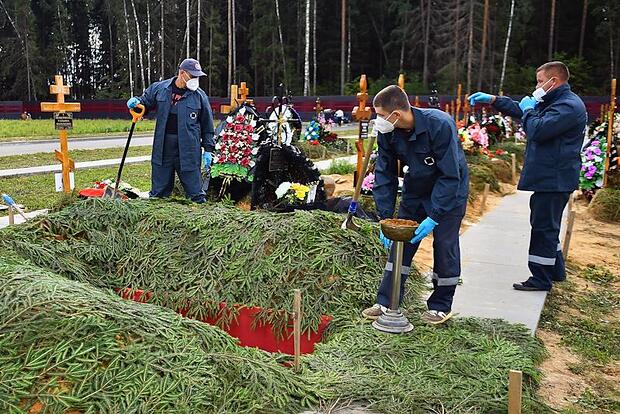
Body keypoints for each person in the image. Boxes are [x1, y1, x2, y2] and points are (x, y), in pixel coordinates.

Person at [469, 61, 587, 291]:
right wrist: (494, 100)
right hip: (549, 177)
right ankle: (555, 270)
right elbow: (523, 110)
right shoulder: (555, 101)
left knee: (544, 227)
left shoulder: (568, 106)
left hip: (554, 178)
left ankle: (540, 278)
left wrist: (529, 110)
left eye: (541, 81)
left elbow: (537, 129)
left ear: (555, 81)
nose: (538, 86)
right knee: (545, 223)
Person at [362, 85, 469, 325]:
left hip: (449, 192)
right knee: (401, 244)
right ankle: (387, 300)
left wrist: (435, 215)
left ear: (396, 114)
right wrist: (385, 216)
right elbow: (385, 172)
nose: (377, 120)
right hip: (415, 190)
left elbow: (450, 174)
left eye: (380, 115)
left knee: (445, 244)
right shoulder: (388, 131)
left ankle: (440, 305)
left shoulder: (439, 124)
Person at [127, 58, 214, 203]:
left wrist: (209, 149)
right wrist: (136, 102)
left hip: (188, 150)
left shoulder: (199, 96)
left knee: (196, 194)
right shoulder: (160, 88)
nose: (195, 79)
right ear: (182, 73)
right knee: (158, 194)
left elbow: (207, 125)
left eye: (197, 76)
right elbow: (145, 102)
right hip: (163, 148)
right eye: (192, 76)